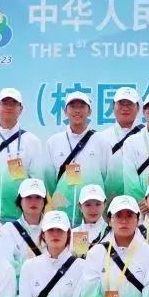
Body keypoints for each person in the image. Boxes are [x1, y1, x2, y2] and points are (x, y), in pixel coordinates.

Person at [0, 87, 50, 221]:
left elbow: (37, 181)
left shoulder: (32, 141)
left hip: (19, 220)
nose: (9, 107)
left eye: (14, 103)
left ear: (21, 109)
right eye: (5, 103)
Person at [47, 91, 108, 225]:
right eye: (73, 106)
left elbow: (107, 177)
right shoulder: (54, 141)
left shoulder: (101, 141)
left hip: (92, 215)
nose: (77, 110)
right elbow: (49, 180)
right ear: (65, 111)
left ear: (89, 111)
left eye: (82, 106)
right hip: (61, 216)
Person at [101, 86, 144, 199]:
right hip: (110, 201)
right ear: (113, 106)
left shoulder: (147, 136)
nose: (125, 108)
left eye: (129, 104)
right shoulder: (102, 137)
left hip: (142, 202)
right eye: (121, 103)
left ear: (138, 107)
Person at [0, 178, 47, 273]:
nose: (33, 202)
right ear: (20, 201)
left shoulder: (54, 229)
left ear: (44, 201)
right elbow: (5, 264)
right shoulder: (8, 230)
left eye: (38, 197)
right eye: (28, 197)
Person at [72, 184, 109, 256]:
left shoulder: (113, 233)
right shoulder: (72, 234)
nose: (93, 209)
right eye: (88, 205)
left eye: (98, 204)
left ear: (105, 205)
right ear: (80, 206)